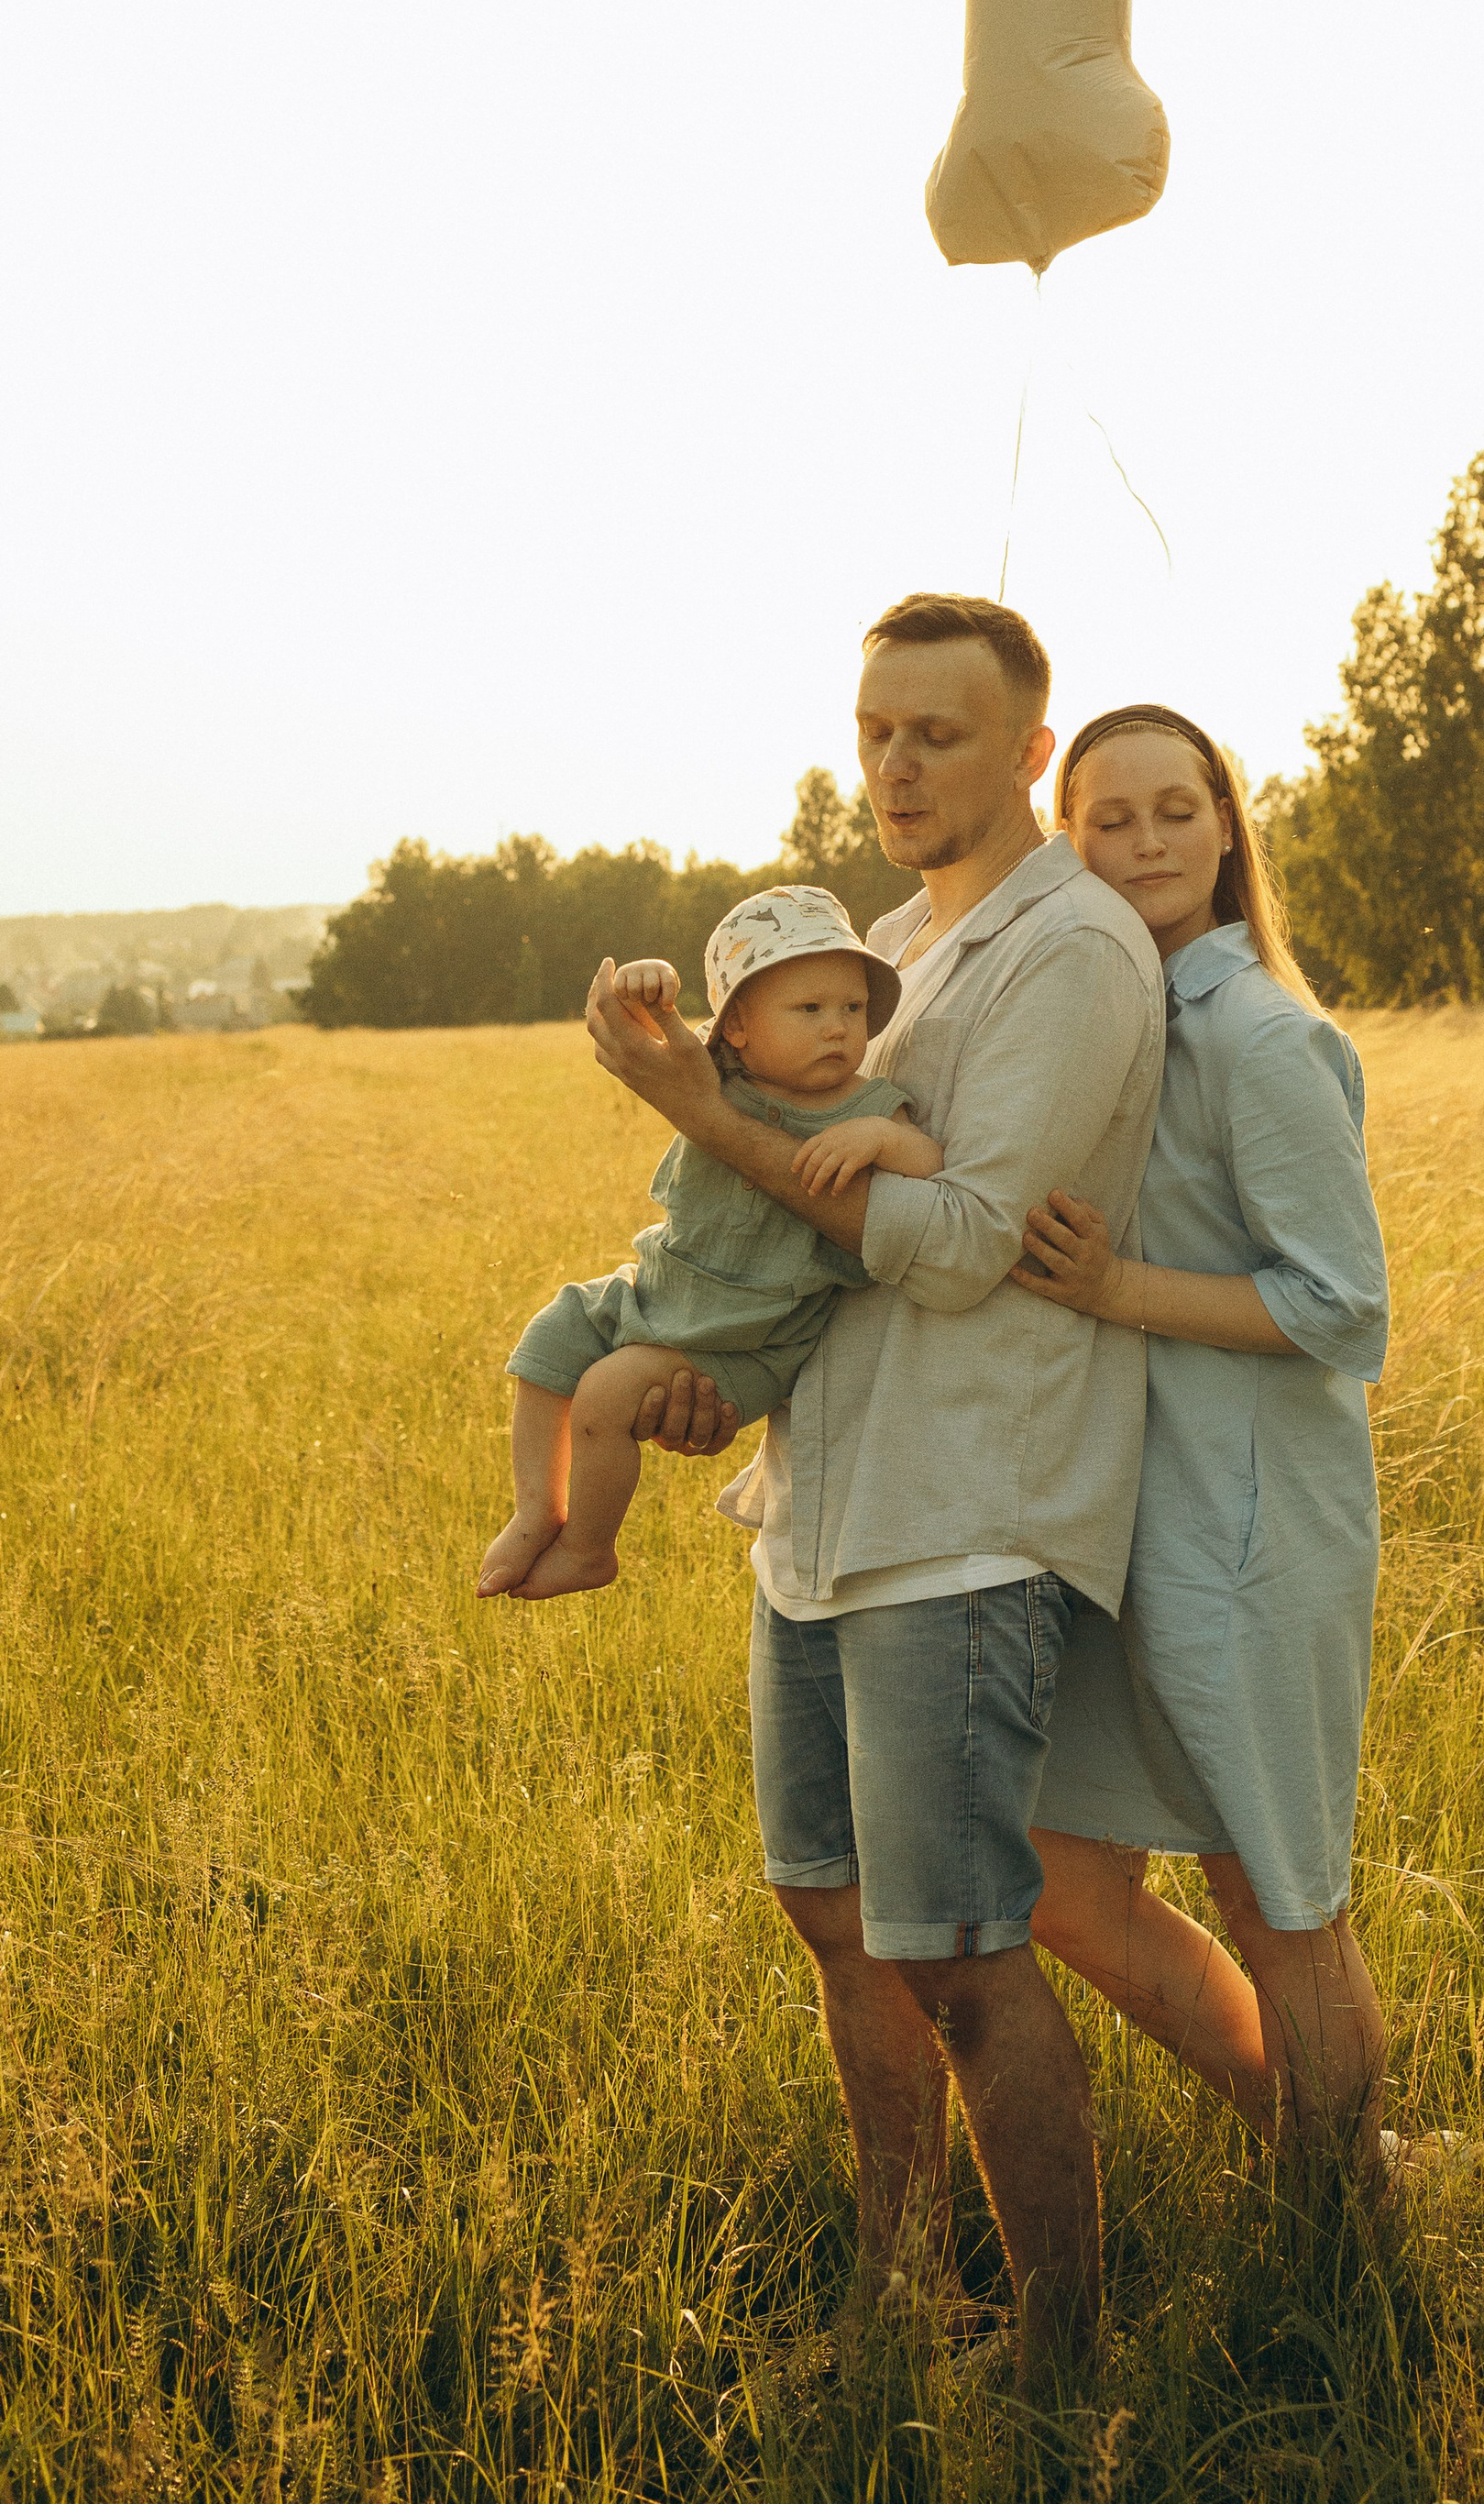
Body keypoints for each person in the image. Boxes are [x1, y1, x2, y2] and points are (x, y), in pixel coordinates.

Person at [584, 595, 1165, 2382]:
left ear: (1029, 751)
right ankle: (903, 2304)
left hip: (963, 1525)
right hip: (816, 1516)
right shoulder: (884, 949)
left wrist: (697, 1109)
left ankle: (1061, 2369)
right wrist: (714, 1382)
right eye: (874, 732)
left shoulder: (1073, 951)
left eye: (937, 733)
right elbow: (796, 1247)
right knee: (835, 1926)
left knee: (965, 1957)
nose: (896, 767)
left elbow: (961, 1244)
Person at [1012, 701, 1395, 2184]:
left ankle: (1341, 2224)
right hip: (1122, 1521)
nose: (1148, 841)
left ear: (1227, 827)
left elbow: (1342, 1305)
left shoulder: (1263, 1036)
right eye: (1111, 818)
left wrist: (1117, 1289)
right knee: (1053, 1870)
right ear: (1069, 842)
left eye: (1177, 810)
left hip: (1252, 1531)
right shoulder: (1114, 1018)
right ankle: (1310, 2144)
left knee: (1280, 1901)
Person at [476, 888, 940, 1599]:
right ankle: (537, 1510)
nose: (838, 1028)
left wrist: (881, 1139)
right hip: (659, 1291)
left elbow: (931, 1166)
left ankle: (590, 1548)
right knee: (550, 1336)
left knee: (605, 1393)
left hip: (749, 1342)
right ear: (739, 1027)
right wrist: (650, 984)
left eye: (852, 1008)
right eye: (809, 1009)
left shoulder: (870, 1106)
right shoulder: (714, 1080)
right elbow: (652, 1033)